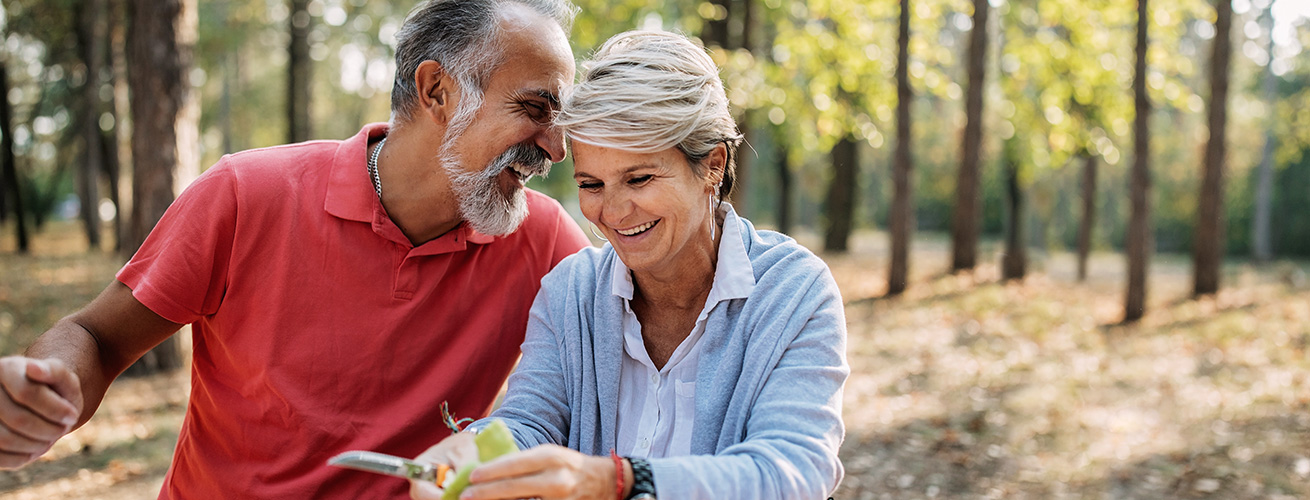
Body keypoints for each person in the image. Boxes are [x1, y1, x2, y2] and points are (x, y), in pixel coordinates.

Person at [0, 0, 590, 498]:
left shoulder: (544, 241)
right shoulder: (245, 193)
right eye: (535, 109)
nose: (556, 149)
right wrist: (45, 389)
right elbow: (98, 338)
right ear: (437, 90)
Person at [410, 30, 848, 500]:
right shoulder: (571, 292)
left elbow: (792, 471)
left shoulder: (793, 293)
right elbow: (530, 421)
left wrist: (619, 481)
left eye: (638, 178)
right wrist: (474, 451)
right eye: (592, 184)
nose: (614, 213)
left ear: (713, 166)